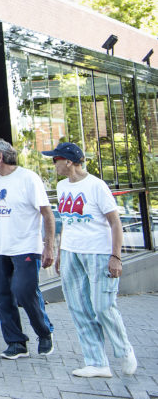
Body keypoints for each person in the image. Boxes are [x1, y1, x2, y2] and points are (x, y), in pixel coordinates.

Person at [46, 142, 138, 378]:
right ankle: (97, 362)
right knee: (79, 307)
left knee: (102, 306)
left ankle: (124, 350)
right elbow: (67, 221)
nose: (52, 164)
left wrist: (116, 256)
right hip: (71, 252)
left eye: (55, 159)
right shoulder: (62, 186)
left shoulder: (96, 186)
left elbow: (115, 222)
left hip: (98, 253)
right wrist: (60, 252)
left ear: (67, 161)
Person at [0, 138, 56, 360]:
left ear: (0, 157)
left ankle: (44, 331)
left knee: (24, 291)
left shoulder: (28, 179)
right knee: (1, 295)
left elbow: (47, 214)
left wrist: (48, 247)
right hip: (0, 248)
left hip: (26, 248)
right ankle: (16, 343)